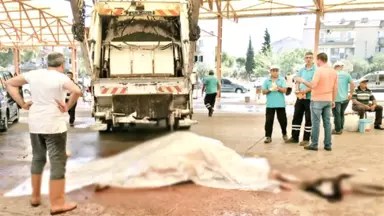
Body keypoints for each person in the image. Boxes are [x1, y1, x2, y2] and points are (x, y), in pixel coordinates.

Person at [5, 52, 82, 215]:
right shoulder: (61, 78)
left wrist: (22, 103)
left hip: (35, 123)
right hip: (54, 124)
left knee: (38, 158)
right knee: (57, 161)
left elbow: (9, 83)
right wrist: (68, 105)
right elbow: (77, 91)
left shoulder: (34, 74)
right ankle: (57, 204)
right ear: (62, 65)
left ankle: (35, 197)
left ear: (48, 63)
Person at [296, 53, 338, 151]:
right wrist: (333, 100)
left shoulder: (319, 71)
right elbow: (335, 88)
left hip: (317, 100)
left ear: (319, 60)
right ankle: (328, 145)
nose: (316, 62)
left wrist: (302, 80)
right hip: (328, 100)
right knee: (327, 123)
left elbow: (313, 85)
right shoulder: (333, 71)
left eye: (316, 60)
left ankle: (314, 145)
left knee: (316, 123)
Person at [286, 52, 315, 146]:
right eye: (306, 57)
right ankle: (294, 137)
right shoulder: (302, 69)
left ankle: (306, 139)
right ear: (304, 59)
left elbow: (314, 85)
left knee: (308, 118)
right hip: (300, 97)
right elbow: (297, 80)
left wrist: (305, 92)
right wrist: (298, 90)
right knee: (296, 116)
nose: (308, 59)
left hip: (310, 98)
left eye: (310, 57)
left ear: (313, 59)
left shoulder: (316, 70)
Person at [262, 65, 288, 144]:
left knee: (283, 121)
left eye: (276, 70)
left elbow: (285, 90)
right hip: (270, 104)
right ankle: (268, 136)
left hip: (280, 104)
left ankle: (284, 134)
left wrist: (278, 88)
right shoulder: (267, 81)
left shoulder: (282, 80)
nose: (275, 72)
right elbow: (263, 92)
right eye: (273, 70)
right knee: (269, 121)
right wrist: (270, 89)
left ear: (278, 72)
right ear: (270, 72)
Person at [332, 61, 354, 134]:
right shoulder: (347, 74)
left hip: (335, 99)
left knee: (336, 114)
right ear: (342, 67)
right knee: (341, 113)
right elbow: (352, 84)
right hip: (345, 98)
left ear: (335, 67)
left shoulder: (333, 74)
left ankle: (337, 130)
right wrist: (350, 94)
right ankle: (341, 128)